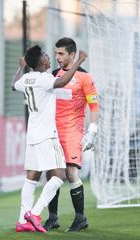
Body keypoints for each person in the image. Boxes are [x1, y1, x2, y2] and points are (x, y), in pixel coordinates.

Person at [12, 45, 87, 233]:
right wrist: (79, 61)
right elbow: (61, 82)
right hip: (47, 136)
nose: (49, 57)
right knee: (59, 175)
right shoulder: (44, 79)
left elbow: (13, 85)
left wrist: (21, 68)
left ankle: (22, 220)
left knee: (31, 178)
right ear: (42, 61)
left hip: (32, 137)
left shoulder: (27, 78)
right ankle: (35, 213)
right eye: (46, 55)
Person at [44, 37, 99, 232]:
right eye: (56, 53)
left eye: (61, 54)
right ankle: (52, 218)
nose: (57, 57)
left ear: (72, 55)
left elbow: (94, 104)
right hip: (53, 131)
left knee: (70, 172)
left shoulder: (85, 77)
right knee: (52, 173)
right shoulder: (53, 75)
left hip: (73, 131)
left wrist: (92, 130)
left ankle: (80, 218)